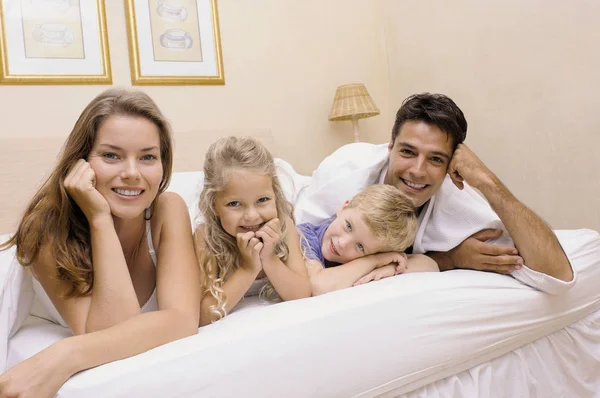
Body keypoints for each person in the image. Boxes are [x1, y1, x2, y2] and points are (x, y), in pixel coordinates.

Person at [0, 88, 200, 397]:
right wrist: (99, 218)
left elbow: (183, 319)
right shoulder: (45, 227)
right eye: (111, 155)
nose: (132, 173)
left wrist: (65, 355)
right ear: (80, 162)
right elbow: (112, 331)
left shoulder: (167, 209)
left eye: (148, 157)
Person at [295, 93, 575, 294]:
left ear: (452, 164)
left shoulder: (456, 198)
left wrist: (487, 181)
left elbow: (558, 275)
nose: (418, 171)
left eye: (436, 159)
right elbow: (297, 247)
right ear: (390, 146)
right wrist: (450, 259)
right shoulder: (346, 173)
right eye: (407, 152)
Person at [194, 136, 311, 326]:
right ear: (213, 205)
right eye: (234, 204)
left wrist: (269, 258)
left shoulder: (284, 226)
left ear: (275, 195)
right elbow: (204, 315)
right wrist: (248, 268)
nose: (251, 215)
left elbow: (302, 294)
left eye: (262, 200)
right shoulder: (206, 237)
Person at [299, 184, 439, 295]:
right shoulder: (304, 236)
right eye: (348, 226)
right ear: (344, 207)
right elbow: (317, 286)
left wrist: (391, 266)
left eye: (360, 247)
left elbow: (431, 265)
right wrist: (375, 262)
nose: (342, 243)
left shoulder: (374, 251)